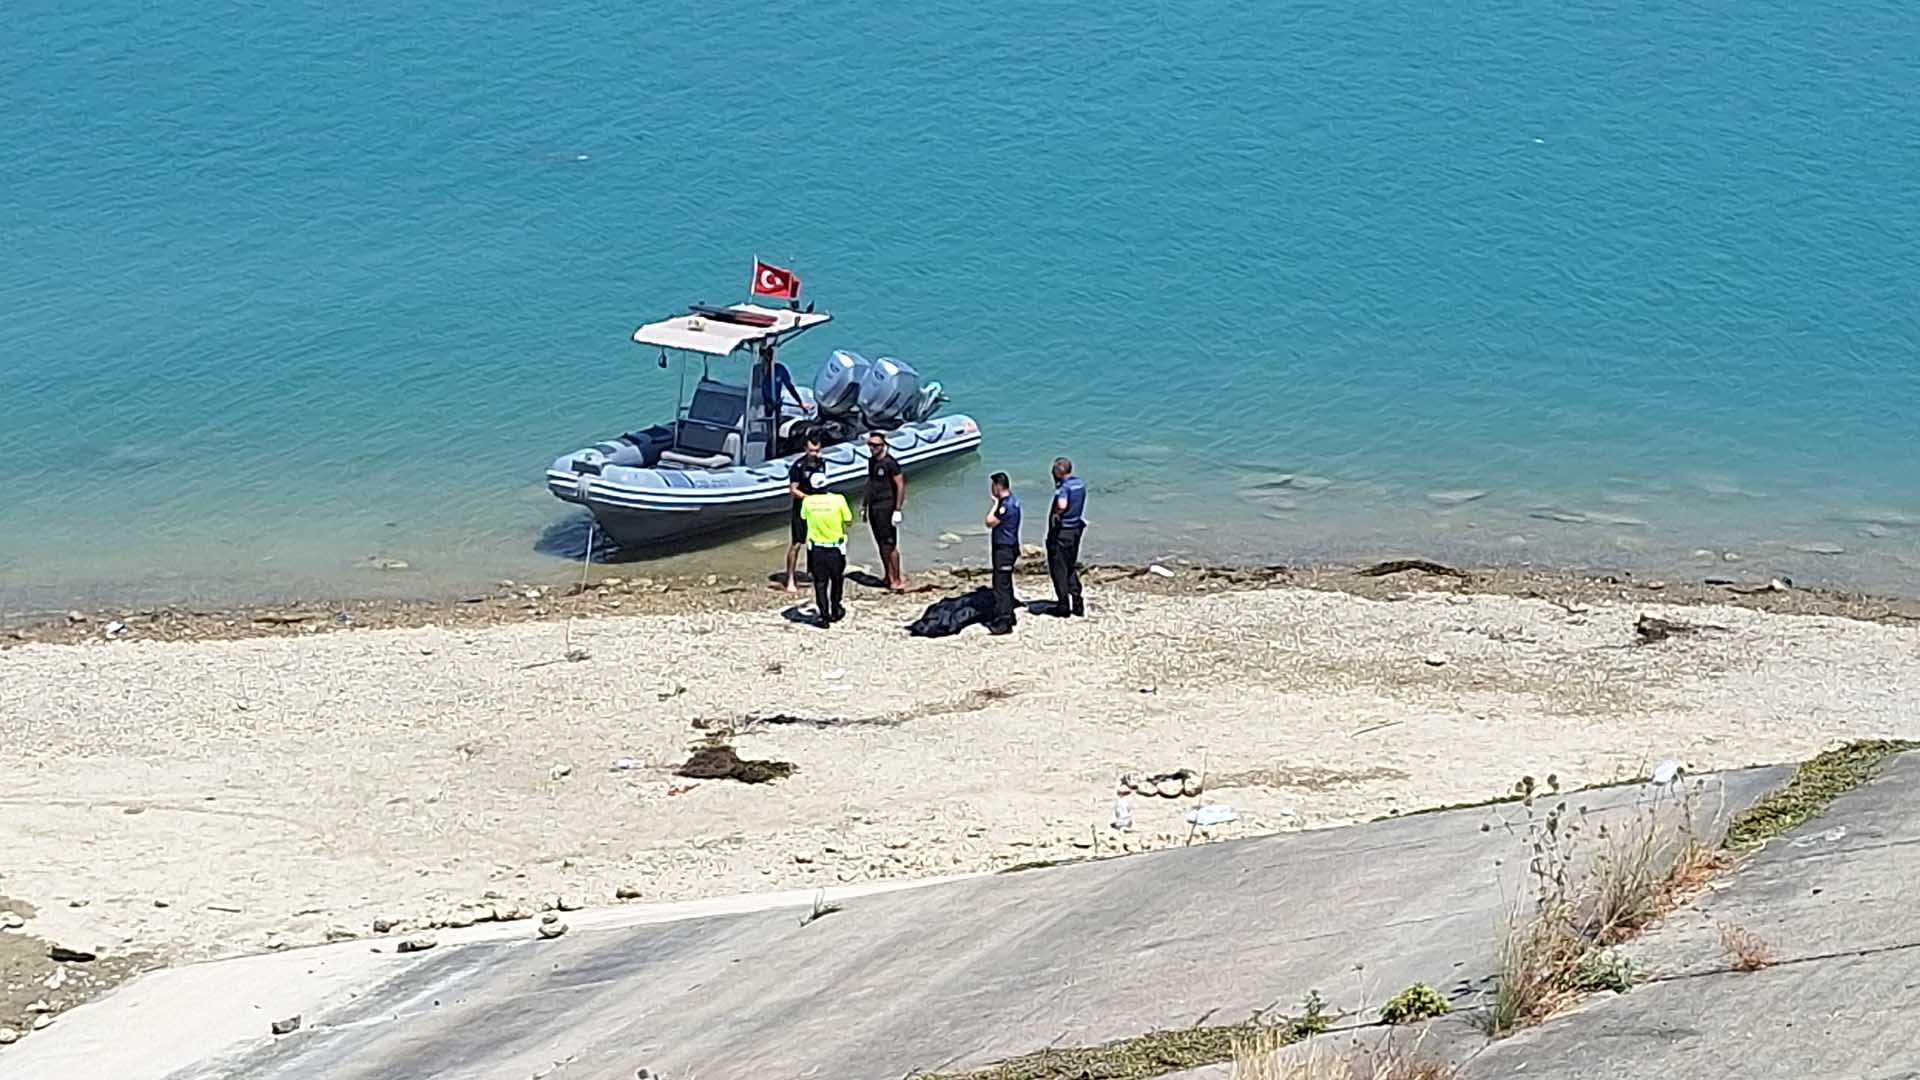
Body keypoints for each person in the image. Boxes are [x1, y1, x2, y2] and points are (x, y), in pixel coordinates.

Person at [799, 472, 853, 629]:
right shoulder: (839, 499)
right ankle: (835, 609)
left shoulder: (808, 502)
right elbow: (849, 520)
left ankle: (824, 616)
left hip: (816, 549)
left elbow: (803, 518)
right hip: (835, 548)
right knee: (837, 580)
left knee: (820, 583)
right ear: (827, 484)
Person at [863, 431, 907, 590]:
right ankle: (888, 577)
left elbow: (900, 485)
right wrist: (864, 505)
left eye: (875, 445)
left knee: (890, 544)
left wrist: (897, 509)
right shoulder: (872, 462)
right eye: (870, 445)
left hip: (887, 507)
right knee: (880, 544)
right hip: (874, 508)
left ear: (883, 446)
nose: (872, 448)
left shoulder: (890, 463)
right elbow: (870, 484)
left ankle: (897, 578)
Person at [783, 433, 825, 593]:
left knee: (817, 541)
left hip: (818, 508)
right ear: (805, 449)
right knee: (797, 543)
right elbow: (793, 490)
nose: (814, 454)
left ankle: (814, 573)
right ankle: (790, 578)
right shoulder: (798, 466)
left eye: (817, 451)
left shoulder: (821, 463)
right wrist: (809, 499)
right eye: (811, 451)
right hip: (802, 507)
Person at [1047, 456, 1087, 617]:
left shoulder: (1064, 487)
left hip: (1063, 532)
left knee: (1059, 568)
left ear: (1058, 472)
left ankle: (1063, 605)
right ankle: (1077, 600)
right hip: (1075, 529)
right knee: (1070, 565)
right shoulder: (1080, 484)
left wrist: (1057, 513)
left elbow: (1062, 504)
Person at [984, 472, 1022, 634]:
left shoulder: (1005, 506)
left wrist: (995, 504)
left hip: (1004, 549)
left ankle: (1004, 621)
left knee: (1001, 585)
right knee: (1005, 582)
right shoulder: (1013, 501)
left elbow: (989, 522)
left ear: (998, 486)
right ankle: (1009, 614)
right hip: (1009, 546)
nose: (991, 489)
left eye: (993, 486)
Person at [758, 343, 810, 453]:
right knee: (766, 431)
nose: (767, 358)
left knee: (774, 431)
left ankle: (773, 450)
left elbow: (790, 387)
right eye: (765, 356)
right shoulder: (758, 371)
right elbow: (757, 389)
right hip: (762, 405)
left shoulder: (779, 369)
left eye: (769, 355)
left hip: (776, 405)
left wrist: (801, 403)